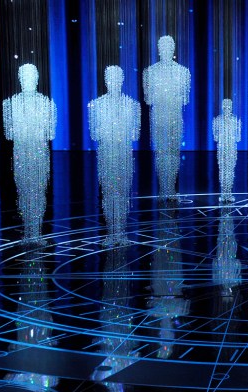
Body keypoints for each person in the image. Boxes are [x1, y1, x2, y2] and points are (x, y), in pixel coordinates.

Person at [3, 63, 57, 242]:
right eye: (25, 76)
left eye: (32, 75)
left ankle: (36, 232)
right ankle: (29, 232)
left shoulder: (47, 103)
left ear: (37, 78)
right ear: (20, 78)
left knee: (38, 192)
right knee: (24, 192)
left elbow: (51, 133)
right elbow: (9, 134)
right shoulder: (9, 104)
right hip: (22, 153)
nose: (29, 79)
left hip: (39, 153)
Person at [89, 65, 141, 246]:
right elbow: (94, 134)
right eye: (110, 78)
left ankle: (121, 232)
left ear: (122, 80)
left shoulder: (133, 105)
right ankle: (112, 232)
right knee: (109, 192)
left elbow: (135, 134)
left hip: (124, 155)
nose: (113, 81)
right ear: (105, 80)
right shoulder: (97, 105)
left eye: (117, 77)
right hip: (106, 155)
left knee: (123, 192)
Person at [143, 35, 191, 198]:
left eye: (169, 46)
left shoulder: (183, 72)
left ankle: (170, 188)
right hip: (158, 118)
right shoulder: (150, 72)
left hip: (175, 118)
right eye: (162, 47)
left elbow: (185, 99)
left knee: (173, 153)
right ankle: (164, 188)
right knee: (161, 153)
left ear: (173, 49)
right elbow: (148, 99)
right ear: (158, 49)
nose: (166, 50)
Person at [212, 98, 242, 203]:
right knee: (223, 170)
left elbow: (238, 137)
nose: (227, 108)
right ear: (222, 107)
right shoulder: (217, 120)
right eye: (225, 106)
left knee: (230, 171)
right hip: (222, 148)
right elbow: (215, 137)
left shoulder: (235, 119)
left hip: (231, 148)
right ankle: (223, 193)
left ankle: (228, 193)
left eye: (229, 106)